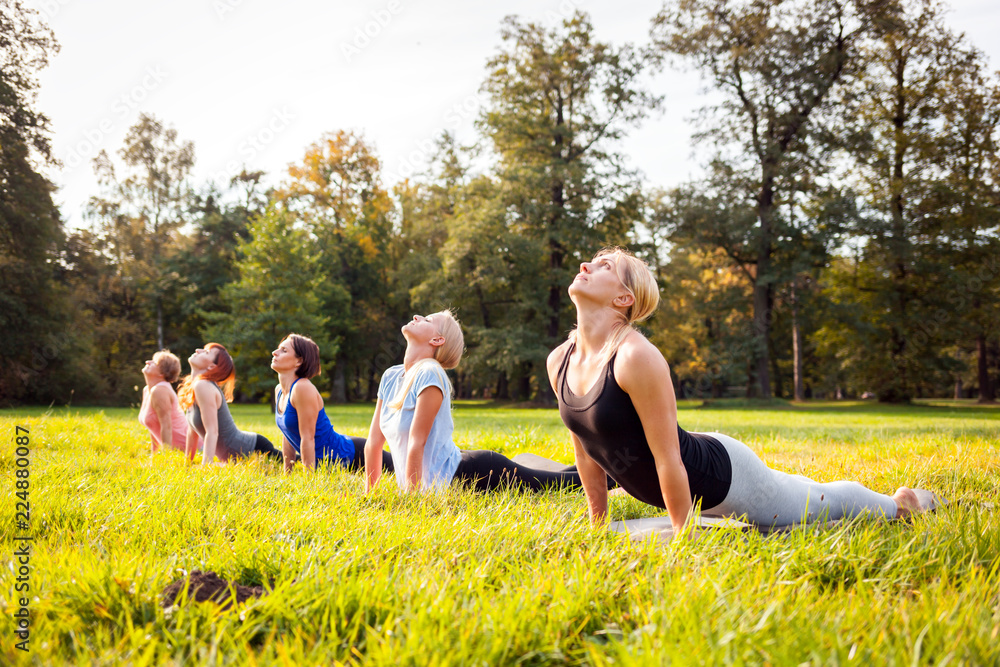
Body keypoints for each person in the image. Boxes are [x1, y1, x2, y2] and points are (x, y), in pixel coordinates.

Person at [547, 247, 922, 533]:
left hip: (721, 479)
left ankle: (899, 504)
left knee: (818, 505)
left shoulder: (636, 357)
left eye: (605, 267)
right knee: (796, 490)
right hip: (694, 462)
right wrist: (598, 527)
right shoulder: (560, 360)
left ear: (624, 298)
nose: (586, 266)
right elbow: (585, 451)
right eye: (593, 262)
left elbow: (668, 458)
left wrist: (683, 538)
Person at [364, 311, 594, 493]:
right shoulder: (391, 376)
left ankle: (615, 472)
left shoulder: (430, 374)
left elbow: (417, 442)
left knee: (560, 483)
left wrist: (412, 501)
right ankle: (599, 467)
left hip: (472, 473)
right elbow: (374, 442)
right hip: (457, 464)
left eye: (427, 319)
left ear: (437, 339)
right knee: (560, 477)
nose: (416, 317)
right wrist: (370, 494)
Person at [271, 333, 394, 473]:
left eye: (284, 350)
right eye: (278, 349)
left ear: (299, 361)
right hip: (335, 457)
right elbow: (287, 435)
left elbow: (307, 438)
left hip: (352, 455)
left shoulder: (302, 388)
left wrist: (308, 481)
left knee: (403, 468)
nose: (275, 352)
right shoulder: (279, 391)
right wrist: (287, 474)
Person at [178, 343, 284, 465]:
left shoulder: (203, 386)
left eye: (206, 352)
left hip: (254, 449)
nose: (197, 350)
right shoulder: (195, 387)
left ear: (212, 366)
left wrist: (206, 467)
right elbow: (192, 432)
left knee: (299, 461)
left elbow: (212, 431)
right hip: (240, 452)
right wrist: (187, 464)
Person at [138, 350, 199, 453]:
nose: (148, 362)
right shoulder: (147, 390)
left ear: (162, 373)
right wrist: (155, 454)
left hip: (190, 450)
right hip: (177, 450)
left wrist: (166, 457)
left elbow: (166, 425)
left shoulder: (160, 390)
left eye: (154, 362)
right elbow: (153, 426)